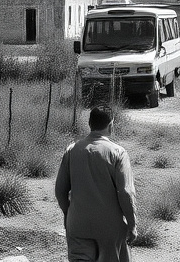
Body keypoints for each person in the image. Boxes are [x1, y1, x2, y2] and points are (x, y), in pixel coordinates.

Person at [55, 107, 138, 262]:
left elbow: (60, 190)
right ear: (111, 125)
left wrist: (68, 214)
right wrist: (132, 224)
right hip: (110, 228)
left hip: (78, 225)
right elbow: (125, 192)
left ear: (90, 124)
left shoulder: (72, 150)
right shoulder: (118, 153)